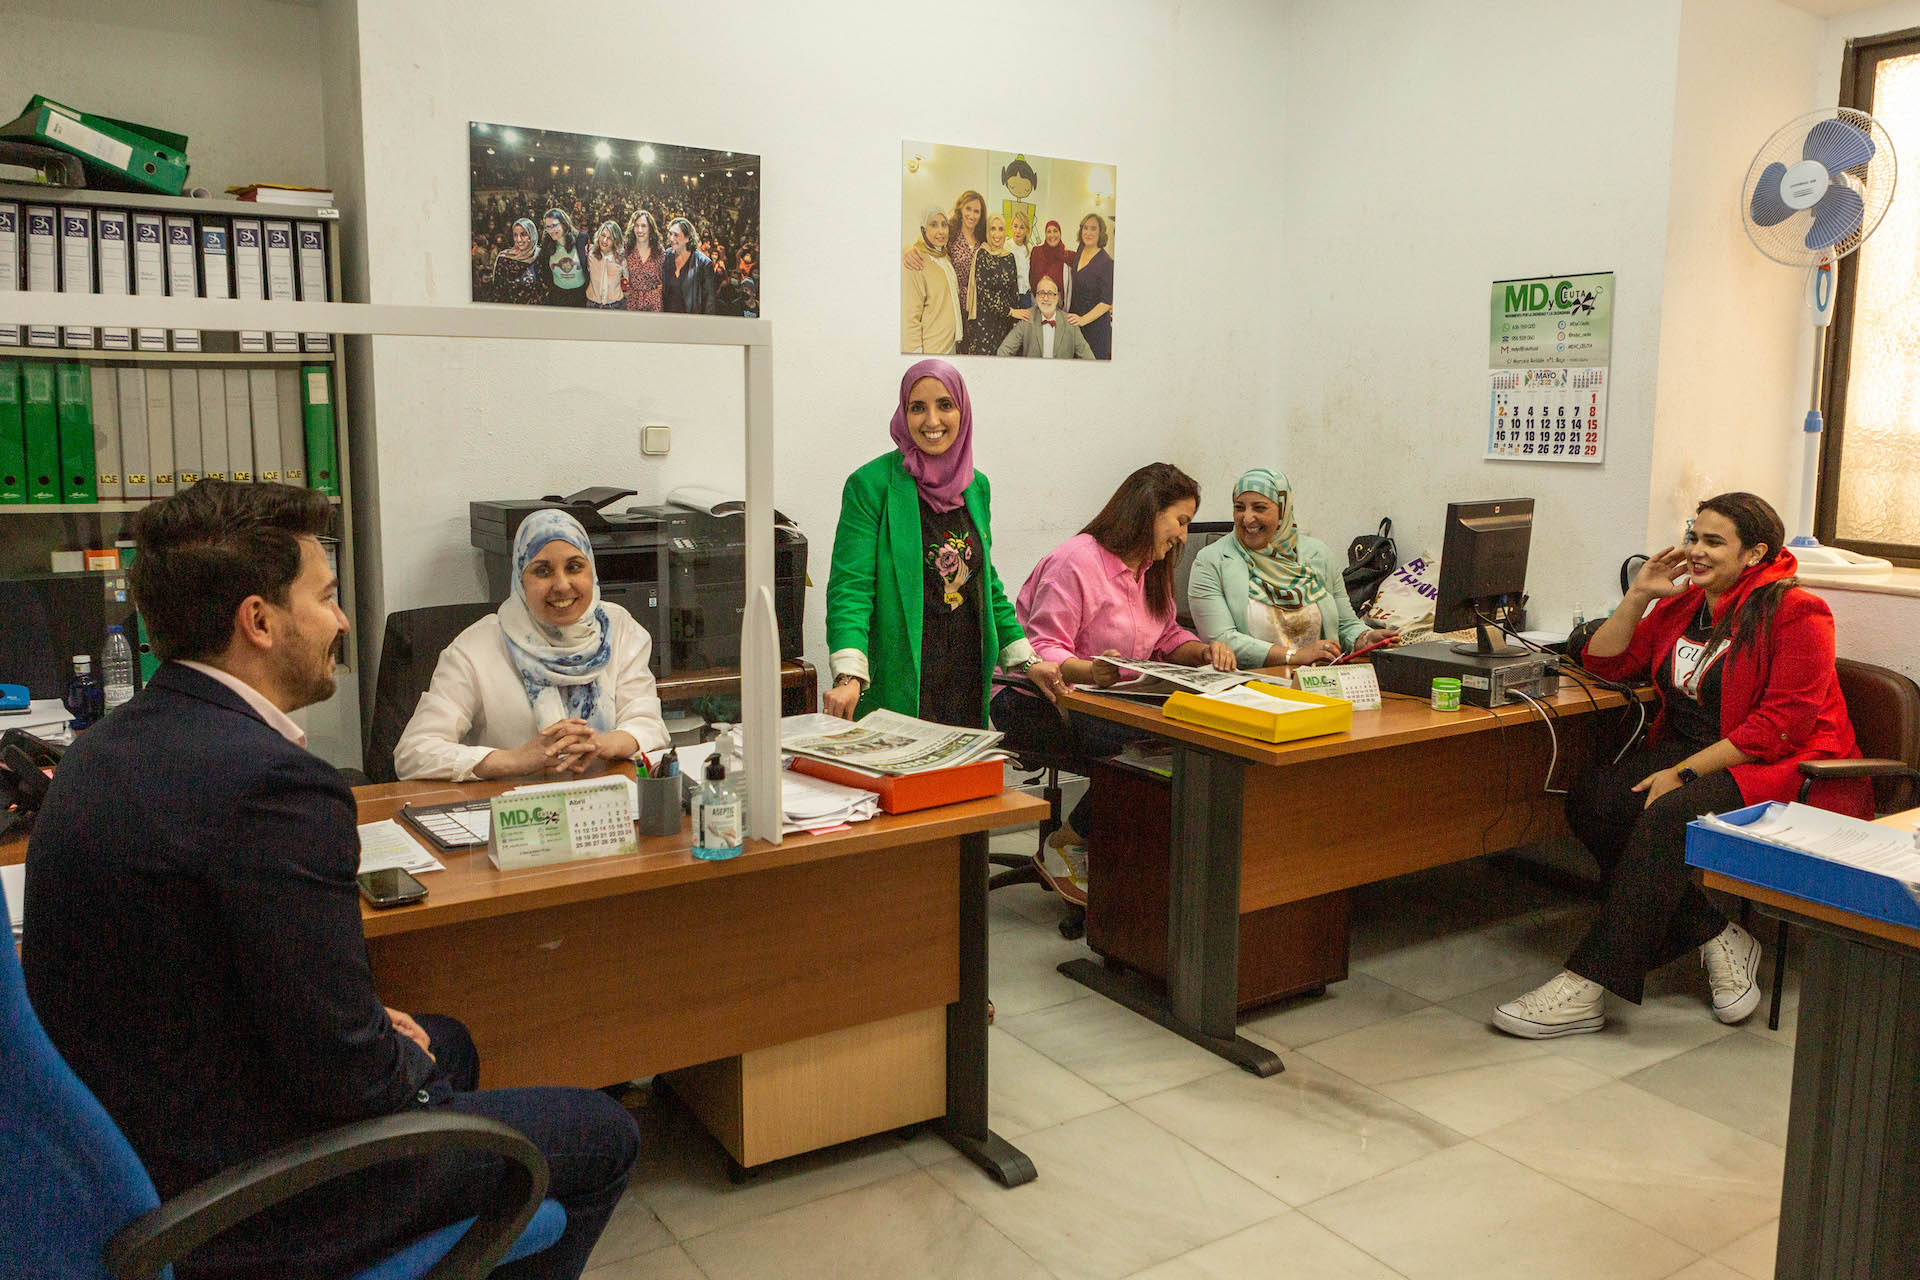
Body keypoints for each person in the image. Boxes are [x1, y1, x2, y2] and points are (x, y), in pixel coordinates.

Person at [22, 481, 639, 1280]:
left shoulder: (103, 747)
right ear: (259, 620)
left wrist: (378, 1037)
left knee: (446, 1039)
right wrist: (391, 1062)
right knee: (603, 1133)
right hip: (237, 1197)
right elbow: (353, 1080)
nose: (344, 621)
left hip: (130, 1146)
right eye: (327, 597)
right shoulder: (273, 785)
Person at [1493, 493, 1874, 1040]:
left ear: (1754, 553)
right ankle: (1720, 934)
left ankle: (1589, 983)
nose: (1695, 551)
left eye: (1713, 541)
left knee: (1669, 813)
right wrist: (1639, 595)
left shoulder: (1799, 611)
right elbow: (1604, 661)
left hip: (1790, 766)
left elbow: (1779, 726)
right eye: (1693, 536)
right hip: (1704, 754)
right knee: (1595, 796)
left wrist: (1684, 773)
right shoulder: (1682, 606)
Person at [991, 464, 1236, 903]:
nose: (1184, 535)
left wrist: (1202, 651)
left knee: (1183, 738)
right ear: (1149, 511)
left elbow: (1164, 637)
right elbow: (1039, 647)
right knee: (1148, 746)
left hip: (1103, 701)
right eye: (1180, 521)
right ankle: (1070, 841)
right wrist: (1089, 671)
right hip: (1031, 699)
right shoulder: (1077, 561)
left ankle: (1124, 867)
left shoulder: (1149, 570)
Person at [824, 360, 1063, 728]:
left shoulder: (975, 486)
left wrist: (1030, 662)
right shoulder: (871, 486)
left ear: (962, 411)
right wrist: (848, 676)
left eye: (945, 405)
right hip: (902, 681)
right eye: (917, 407)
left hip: (965, 676)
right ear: (903, 414)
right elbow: (850, 588)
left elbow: (986, 584)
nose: (931, 421)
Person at [396, 509, 670, 781]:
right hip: (512, 810)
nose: (562, 585)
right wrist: (515, 760)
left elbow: (648, 724)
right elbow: (414, 753)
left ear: (592, 571)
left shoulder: (619, 629)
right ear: (520, 580)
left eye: (575, 567)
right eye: (542, 571)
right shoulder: (474, 648)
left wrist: (601, 744)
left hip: (602, 806)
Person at [1187, 468, 1396, 667]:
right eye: (1239, 507)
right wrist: (1293, 656)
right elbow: (1221, 640)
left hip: (1319, 680)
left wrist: (1365, 638)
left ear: (1283, 510)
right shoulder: (1211, 561)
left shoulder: (1319, 555)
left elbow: (1344, 624)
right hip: (1250, 683)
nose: (1247, 518)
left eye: (1260, 508)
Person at [902, 205, 962, 355]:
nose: (941, 231)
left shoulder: (944, 257)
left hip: (950, 344)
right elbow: (910, 316)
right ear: (923, 230)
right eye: (933, 225)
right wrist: (915, 356)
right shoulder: (915, 261)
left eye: (944, 225)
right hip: (932, 349)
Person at [997, 275, 1096, 359]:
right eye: (1041, 293)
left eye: (1050, 294)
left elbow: (1089, 358)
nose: (1045, 298)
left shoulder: (1070, 322)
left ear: (1057, 298)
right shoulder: (1027, 318)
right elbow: (1003, 351)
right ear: (1035, 297)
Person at [964, 214, 1021, 356]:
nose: (997, 234)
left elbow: (1013, 291)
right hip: (984, 323)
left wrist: (1015, 319)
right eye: (992, 229)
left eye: (1001, 229)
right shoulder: (982, 255)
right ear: (987, 232)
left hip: (1004, 324)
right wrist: (1010, 311)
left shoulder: (1009, 257)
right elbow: (984, 293)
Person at [1065, 213, 1115, 359]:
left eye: (1093, 229)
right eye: (1085, 228)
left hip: (1095, 327)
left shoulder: (1107, 263)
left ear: (1101, 233)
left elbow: (1106, 302)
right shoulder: (1081, 249)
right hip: (1076, 323)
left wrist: (1083, 320)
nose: (1088, 232)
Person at [662, 216, 718, 314]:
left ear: (687, 238)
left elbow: (709, 302)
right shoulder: (666, 257)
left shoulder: (703, 263)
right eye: (670, 234)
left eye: (676, 235)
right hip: (667, 318)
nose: (671, 238)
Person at [539, 207, 588, 306]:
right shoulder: (546, 244)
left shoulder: (581, 239)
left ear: (564, 224)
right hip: (558, 295)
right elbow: (545, 270)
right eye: (548, 227)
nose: (551, 230)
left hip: (580, 295)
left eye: (554, 225)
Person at [487, 217, 542, 306]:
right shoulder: (504, 259)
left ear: (532, 235)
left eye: (523, 234)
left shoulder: (539, 255)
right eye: (515, 235)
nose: (518, 240)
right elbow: (499, 294)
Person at [622, 208, 665, 311]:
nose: (639, 230)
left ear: (650, 228)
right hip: (632, 301)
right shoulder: (626, 249)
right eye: (636, 225)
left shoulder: (659, 251)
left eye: (644, 226)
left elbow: (665, 279)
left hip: (654, 303)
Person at [585, 219, 626, 309]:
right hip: (592, 305)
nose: (604, 240)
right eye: (603, 235)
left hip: (615, 306)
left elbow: (629, 280)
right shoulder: (590, 253)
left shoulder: (621, 258)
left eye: (610, 238)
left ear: (615, 240)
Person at [1028, 219, 1072, 301]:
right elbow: (1031, 276)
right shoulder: (1036, 252)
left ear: (1060, 234)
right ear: (1045, 234)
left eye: (1055, 231)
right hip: (1038, 299)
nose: (1052, 235)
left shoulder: (1067, 256)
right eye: (1049, 231)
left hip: (1058, 303)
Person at [1006, 211, 1034, 309]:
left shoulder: (1030, 248)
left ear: (1027, 230)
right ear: (1011, 227)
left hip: (1026, 295)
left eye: (1022, 227)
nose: (1017, 231)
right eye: (1015, 226)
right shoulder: (1006, 247)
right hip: (1011, 295)